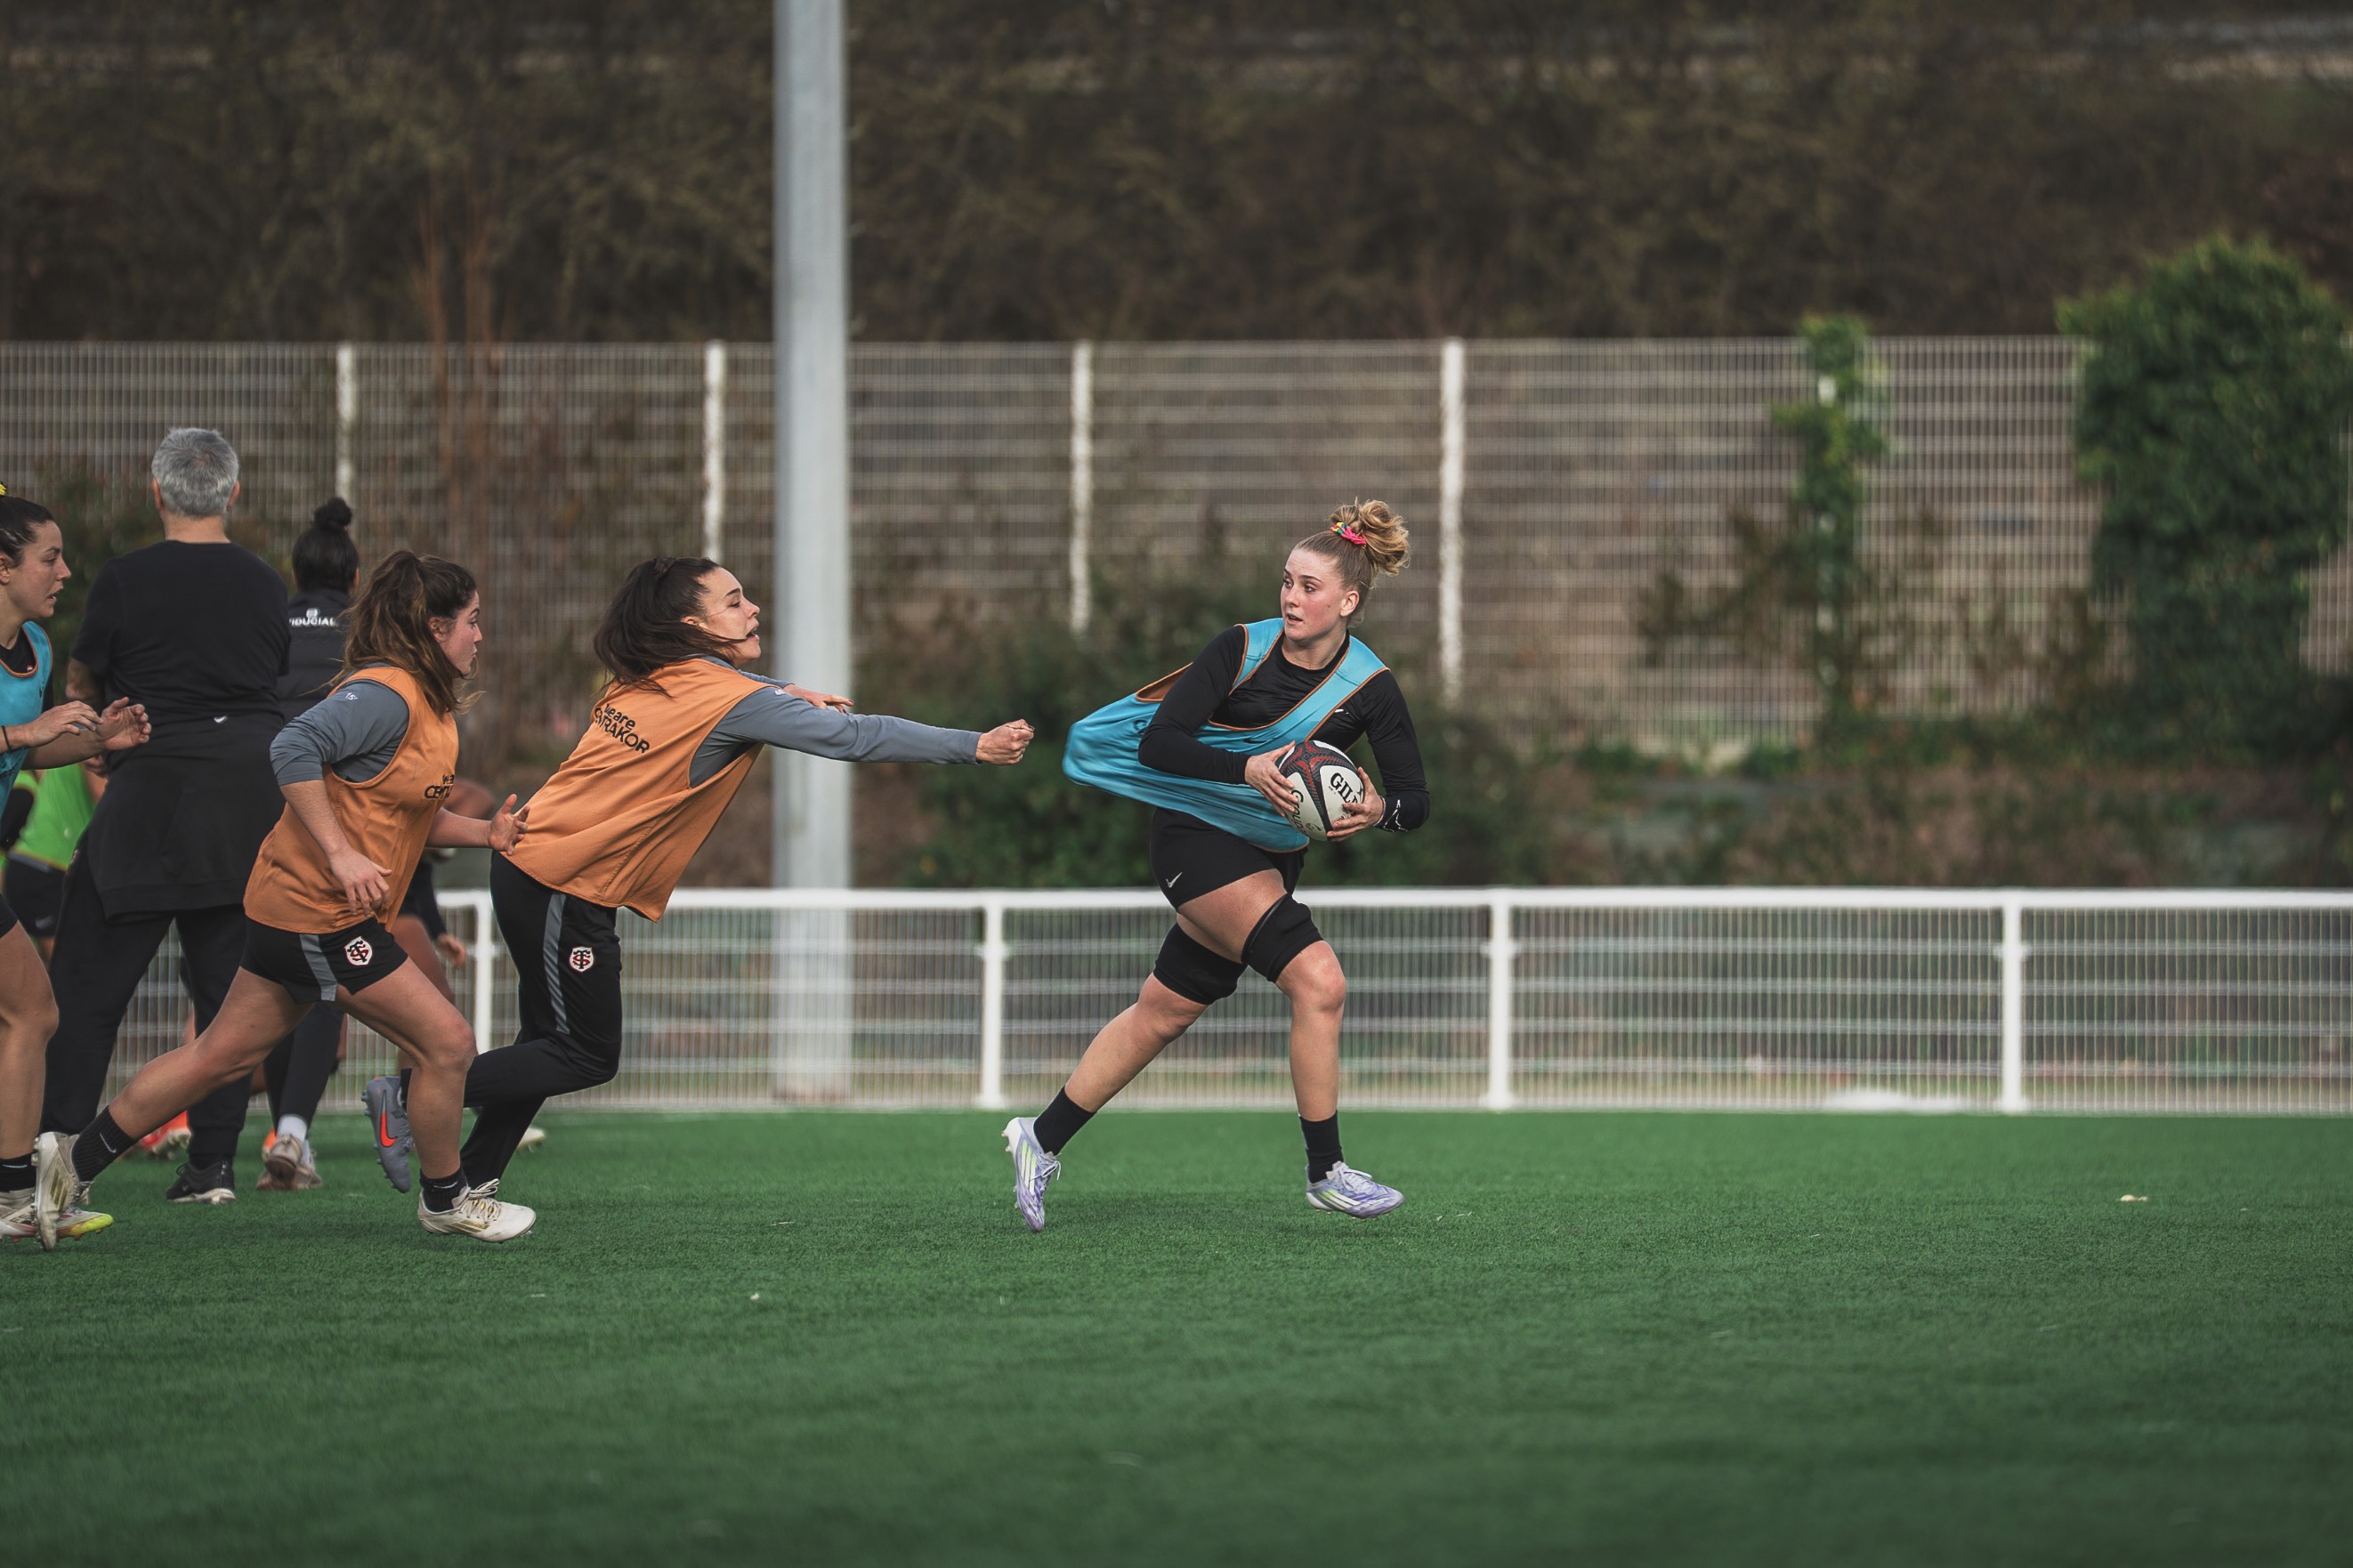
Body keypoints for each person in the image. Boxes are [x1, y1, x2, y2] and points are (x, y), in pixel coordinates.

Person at [360, 555, 1031, 1207]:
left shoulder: (652, 672)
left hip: (535, 870)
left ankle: (471, 1179)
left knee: (546, 1044)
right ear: (692, 624)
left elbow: (728, 691)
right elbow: (855, 736)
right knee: (586, 1053)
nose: (753, 608)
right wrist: (973, 744)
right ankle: (414, 1091)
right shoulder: (729, 698)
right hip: (561, 881)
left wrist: (778, 689)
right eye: (733, 601)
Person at [37, 551, 535, 1245]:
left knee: (217, 1059)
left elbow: (406, 811)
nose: (480, 635)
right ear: (432, 627)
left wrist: (488, 831)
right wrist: (338, 853)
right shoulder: (386, 693)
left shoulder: (426, 705)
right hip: (318, 916)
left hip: (293, 912)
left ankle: (67, 1167)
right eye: (472, 622)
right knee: (448, 1042)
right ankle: (448, 1199)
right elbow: (292, 747)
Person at [1016, 500, 1430, 1231]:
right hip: (1195, 837)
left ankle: (1039, 1139)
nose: (1292, 598)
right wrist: (1248, 769)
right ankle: (1327, 1171)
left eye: (1309, 587)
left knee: (1165, 1012)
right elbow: (1160, 745)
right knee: (1320, 980)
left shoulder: (1372, 687)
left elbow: (1415, 801)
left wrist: (1379, 812)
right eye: (1287, 582)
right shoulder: (1239, 649)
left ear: (1348, 601)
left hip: (1272, 859)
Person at [37, 428, 292, 1205]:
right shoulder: (262, 582)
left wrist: (92, 738)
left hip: (150, 795)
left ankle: (54, 1158)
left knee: (87, 990)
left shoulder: (121, 577)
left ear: (157, 493)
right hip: (248, 803)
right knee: (228, 1000)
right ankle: (209, 1167)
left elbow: (86, 676)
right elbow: (269, 677)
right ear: (233, 494)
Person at [0, 488, 153, 1248]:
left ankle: (10, 1200)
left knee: (35, 1011)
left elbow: (30, 747)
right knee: (32, 1013)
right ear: (3, 567)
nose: (64, 571)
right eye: (49, 557)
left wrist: (103, 741)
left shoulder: (39, 646)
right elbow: (19, 734)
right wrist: (30, 726)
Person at [255, 497, 362, 1191]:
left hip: (259, 809)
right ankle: (294, 1132)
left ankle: (274, 1137)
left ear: (294, 575)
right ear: (355, 580)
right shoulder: (365, 633)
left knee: (268, 979)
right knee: (326, 981)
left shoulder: (267, 624)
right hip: (334, 821)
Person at [4, 761, 101, 960]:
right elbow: (102, 796)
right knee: (65, 971)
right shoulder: (94, 747)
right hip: (45, 867)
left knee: (43, 973)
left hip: (32, 865)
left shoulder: (65, 747)